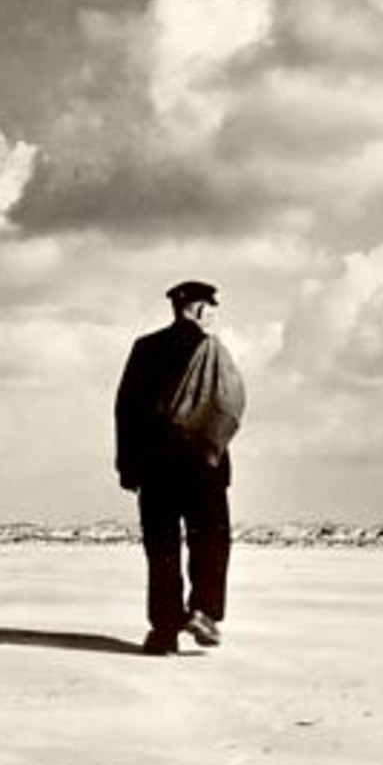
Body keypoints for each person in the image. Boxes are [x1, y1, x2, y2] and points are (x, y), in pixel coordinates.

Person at [114, 281, 246, 656]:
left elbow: (125, 410)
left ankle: (164, 631)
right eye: (211, 307)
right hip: (202, 465)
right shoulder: (213, 350)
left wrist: (127, 465)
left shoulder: (144, 349)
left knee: (162, 549)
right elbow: (230, 405)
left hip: (154, 467)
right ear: (201, 310)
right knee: (210, 541)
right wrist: (213, 450)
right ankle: (203, 611)